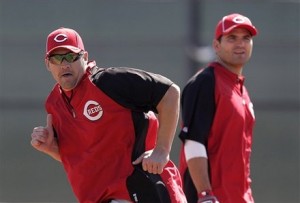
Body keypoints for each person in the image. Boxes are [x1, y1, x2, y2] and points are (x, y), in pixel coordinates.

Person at [31, 27, 187, 203]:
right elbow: (86, 158)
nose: (65, 64)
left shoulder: (108, 82)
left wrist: (162, 149)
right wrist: (52, 149)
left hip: (140, 189)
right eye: (57, 58)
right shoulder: (54, 104)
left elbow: (170, 92)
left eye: (71, 56)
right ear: (48, 64)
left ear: (85, 57)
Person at [178, 13, 258, 203]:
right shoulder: (205, 82)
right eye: (232, 38)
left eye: (246, 38)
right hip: (212, 198)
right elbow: (193, 143)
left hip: (239, 196)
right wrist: (205, 195)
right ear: (216, 45)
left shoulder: (240, 89)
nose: (240, 44)